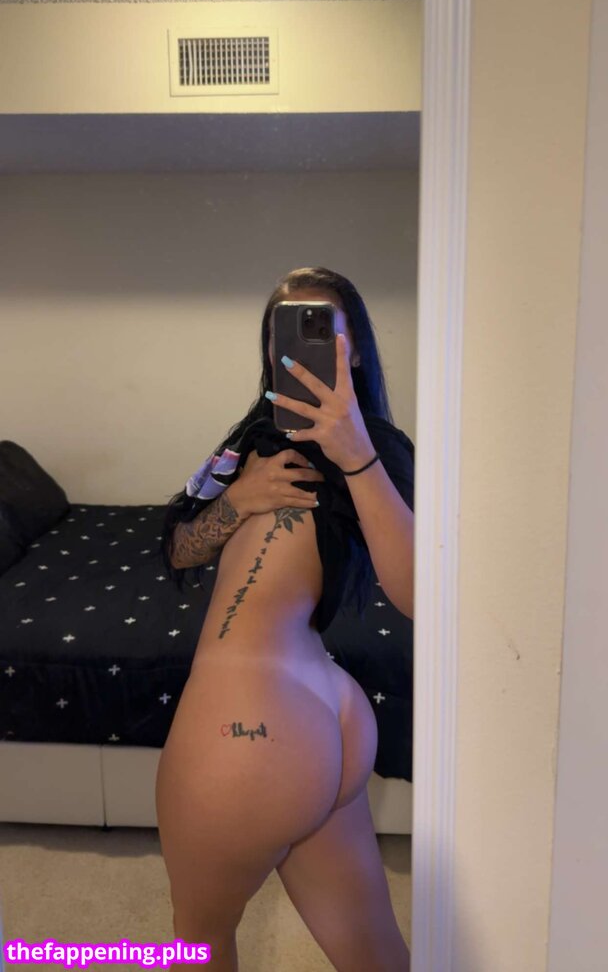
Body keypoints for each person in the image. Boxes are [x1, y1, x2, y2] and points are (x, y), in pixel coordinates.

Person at [156, 266, 414, 971]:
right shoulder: (245, 441)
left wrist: (356, 455)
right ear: (269, 348)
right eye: (283, 330)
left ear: (353, 351)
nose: (297, 346)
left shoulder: (380, 446)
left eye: (320, 328)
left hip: (251, 726)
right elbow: (178, 549)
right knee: (372, 950)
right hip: (319, 714)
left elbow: (421, 595)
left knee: (196, 939)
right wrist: (238, 501)